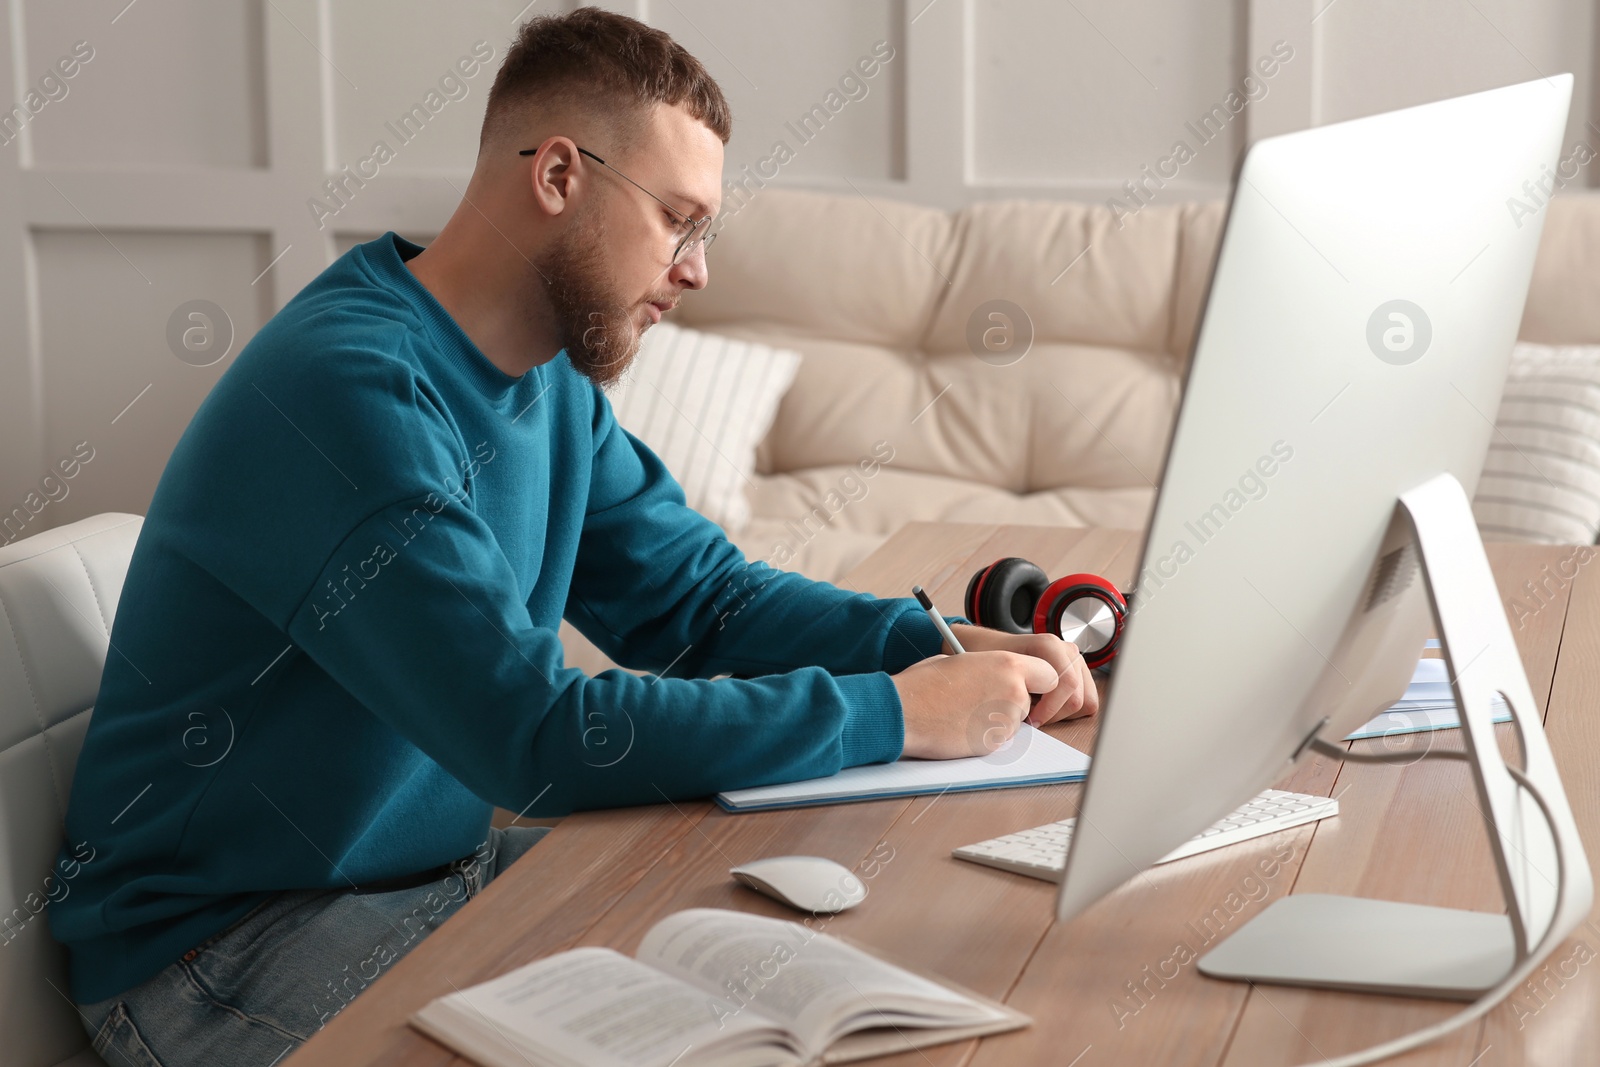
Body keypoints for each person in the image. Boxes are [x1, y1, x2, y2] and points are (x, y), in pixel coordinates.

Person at [51, 8, 1098, 1066]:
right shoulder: (350, 392)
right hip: (221, 951)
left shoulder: (548, 380)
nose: (696, 270)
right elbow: (533, 735)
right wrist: (890, 711)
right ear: (557, 175)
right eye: (679, 220)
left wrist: (932, 648)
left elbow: (703, 603)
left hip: (423, 880)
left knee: (805, 967)